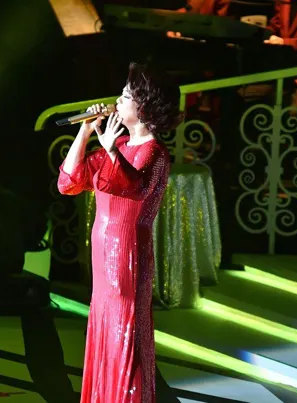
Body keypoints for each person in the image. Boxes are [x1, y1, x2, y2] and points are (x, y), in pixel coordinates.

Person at [57, 62, 181, 403]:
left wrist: (111, 150)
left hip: (128, 253)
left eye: (125, 96)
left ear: (144, 107)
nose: (117, 101)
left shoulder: (155, 152)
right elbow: (68, 182)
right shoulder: (120, 143)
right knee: (105, 323)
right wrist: (85, 131)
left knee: (124, 328)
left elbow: (135, 186)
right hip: (103, 252)